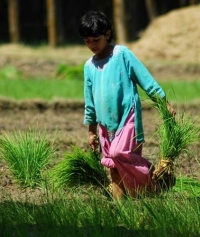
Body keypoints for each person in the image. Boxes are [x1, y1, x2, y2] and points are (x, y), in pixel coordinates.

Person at [78, 11, 176, 199]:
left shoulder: (121, 54)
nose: (92, 45)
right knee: (114, 169)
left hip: (127, 120)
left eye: (96, 40)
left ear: (107, 34)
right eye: (87, 41)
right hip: (105, 127)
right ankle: (121, 210)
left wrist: (164, 104)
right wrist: (92, 131)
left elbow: (146, 81)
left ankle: (153, 176)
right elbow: (89, 102)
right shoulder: (89, 66)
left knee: (117, 154)